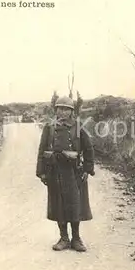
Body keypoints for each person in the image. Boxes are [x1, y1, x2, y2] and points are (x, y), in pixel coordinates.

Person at [36, 96, 95, 252]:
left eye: (66, 109)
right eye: (60, 108)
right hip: (54, 171)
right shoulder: (49, 128)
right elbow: (42, 151)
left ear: (71, 111)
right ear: (55, 110)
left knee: (75, 204)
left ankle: (76, 238)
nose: (63, 112)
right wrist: (41, 172)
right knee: (58, 205)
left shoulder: (78, 128)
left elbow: (88, 149)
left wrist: (87, 169)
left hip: (74, 171)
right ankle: (63, 238)